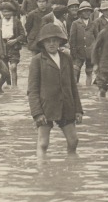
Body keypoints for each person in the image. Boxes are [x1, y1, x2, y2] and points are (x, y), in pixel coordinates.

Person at [27, 23, 84, 156]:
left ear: (60, 42)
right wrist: (37, 113)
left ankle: (71, 165)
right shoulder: (37, 61)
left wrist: (78, 110)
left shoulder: (66, 58)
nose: (52, 44)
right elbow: (32, 90)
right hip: (46, 107)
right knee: (43, 143)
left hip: (66, 105)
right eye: (48, 41)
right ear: (42, 43)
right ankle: (42, 169)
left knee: (73, 141)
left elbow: (73, 86)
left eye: (55, 40)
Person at [0, 2, 25, 87]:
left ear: (12, 12)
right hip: (2, 47)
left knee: (13, 67)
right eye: (4, 11)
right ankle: (8, 84)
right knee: (5, 69)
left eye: (9, 11)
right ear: (2, 12)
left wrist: (15, 40)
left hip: (14, 47)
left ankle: (14, 86)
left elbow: (23, 35)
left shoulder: (16, 21)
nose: (7, 13)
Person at [69, 1, 97, 86]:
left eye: (88, 11)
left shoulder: (93, 24)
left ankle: (88, 88)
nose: (86, 13)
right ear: (80, 13)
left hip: (90, 53)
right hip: (78, 52)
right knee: (75, 71)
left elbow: (97, 38)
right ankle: (75, 89)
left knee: (89, 72)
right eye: (84, 11)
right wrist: (73, 52)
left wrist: (95, 51)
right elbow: (72, 39)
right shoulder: (75, 23)